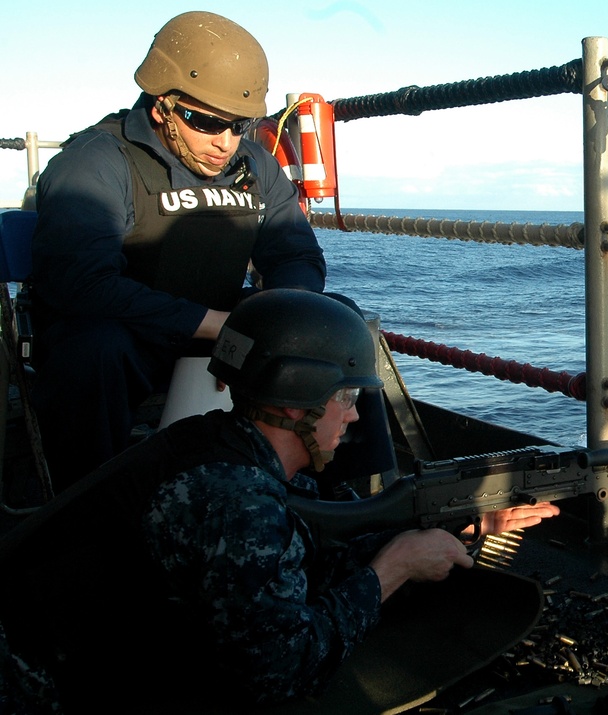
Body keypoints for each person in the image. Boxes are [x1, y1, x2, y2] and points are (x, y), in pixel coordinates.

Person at [0, 289, 560, 711]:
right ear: (297, 404)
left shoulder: (213, 442)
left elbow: (307, 543)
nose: (354, 414)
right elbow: (283, 671)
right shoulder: (233, 502)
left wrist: (468, 522)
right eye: (344, 396)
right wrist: (392, 570)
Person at [27, 11, 327, 491]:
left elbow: (297, 255)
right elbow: (80, 284)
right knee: (93, 351)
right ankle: (88, 514)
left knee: (337, 327)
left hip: (223, 336)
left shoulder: (256, 164)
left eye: (240, 125)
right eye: (206, 121)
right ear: (162, 104)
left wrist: (277, 326)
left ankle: (345, 500)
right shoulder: (95, 163)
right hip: (129, 337)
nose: (225, 143)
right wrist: (223, 328)